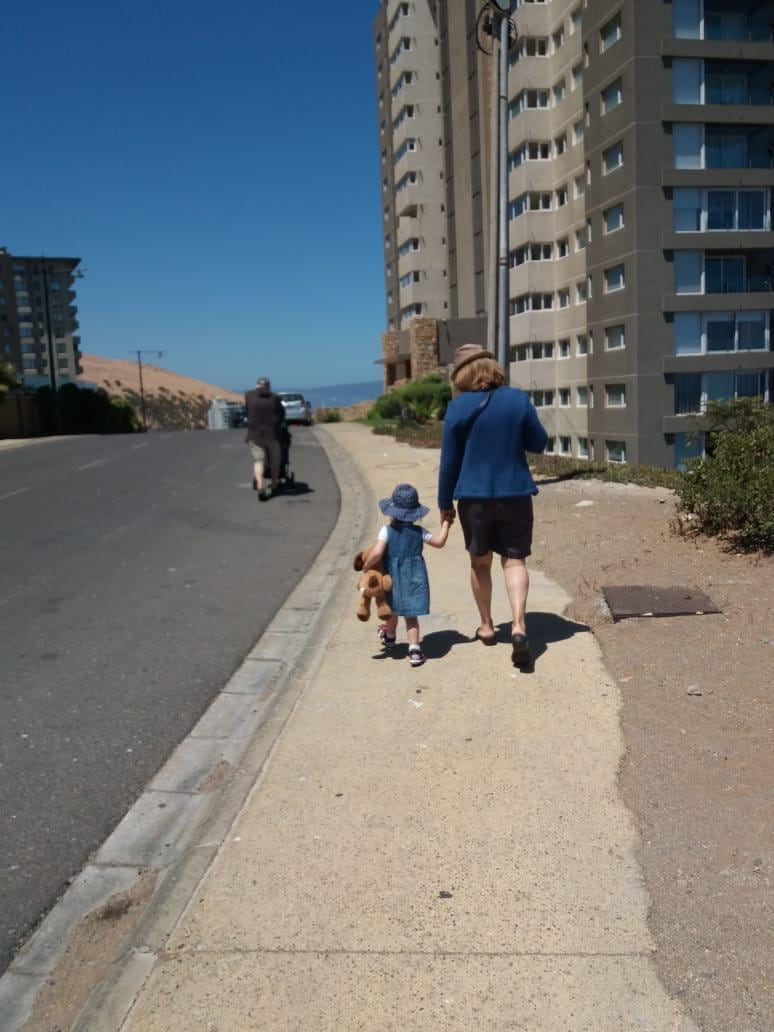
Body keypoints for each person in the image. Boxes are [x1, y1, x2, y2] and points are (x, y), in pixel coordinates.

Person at [437, 344, 548, 667]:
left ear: (460, 375)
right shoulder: (517, 399)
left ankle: (486, 627)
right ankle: (518, 625)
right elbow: (539, 442)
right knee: (514, 562)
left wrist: (445, 503)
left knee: (480, 564)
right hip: (515, 495)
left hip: (473, 500)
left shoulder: (457, 409)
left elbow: (449, 464)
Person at [363, 483, 450, 667]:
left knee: (392, 608)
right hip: (414, 578)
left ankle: (391, 637)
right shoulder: (420, 532)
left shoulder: (386, 531)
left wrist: (366, 566)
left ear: (392, 511)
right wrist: (446, 524)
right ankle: (414, 650)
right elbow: (440, 542)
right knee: (411, 616)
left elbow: (377, 553)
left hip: (392, 577)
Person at [245, 377, 286, 501]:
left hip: (254, 435)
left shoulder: (248, 396)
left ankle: (260, 486)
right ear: (268, 386)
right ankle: (274, 484)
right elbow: (281, 414)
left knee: (258, 461)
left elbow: (248, 410)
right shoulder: (275, 398)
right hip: (272, 435)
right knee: (275, 461)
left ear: (257, 386)